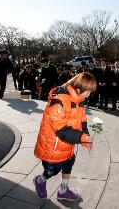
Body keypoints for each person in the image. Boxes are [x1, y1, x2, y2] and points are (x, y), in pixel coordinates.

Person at [33, 72, 96, 201]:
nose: (88, 95)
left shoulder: (79, 101)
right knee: (52, 170)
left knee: (69, 163)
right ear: (78, 90)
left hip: (67, 142)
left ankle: (63, 190)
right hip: (53, 144)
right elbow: (61, 130)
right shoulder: (59, 101)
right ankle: (39, 180)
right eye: (88, 92)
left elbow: (82, 121)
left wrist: (85, 137)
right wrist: (81, 138)